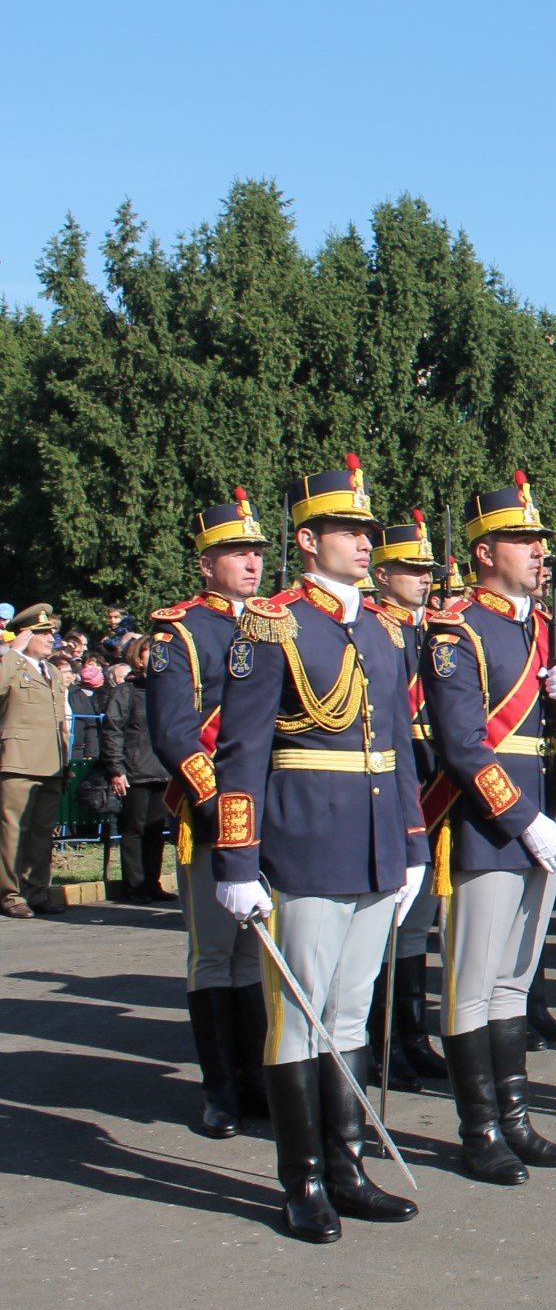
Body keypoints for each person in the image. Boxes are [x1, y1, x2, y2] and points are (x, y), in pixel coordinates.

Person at [209, 456, 425, 1243]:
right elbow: (240, 754)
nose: (365, 542)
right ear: (307, 539)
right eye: (346, 530)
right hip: (302, 845)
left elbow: (399, 749)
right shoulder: (271, 625)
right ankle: (301, 1181)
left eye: (367, 530)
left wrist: (411, 846)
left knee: (350, 1012)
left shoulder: (383, 629)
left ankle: (347, 1167)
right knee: (299, 1018)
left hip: (374, 846)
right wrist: (237, 862)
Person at [422, 474, 556, 1183]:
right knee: (473, 983)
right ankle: (479, 1129)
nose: (538, 551)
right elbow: (463, 746)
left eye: (539, 540)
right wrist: (524, 821)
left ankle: (516, 1119)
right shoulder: (456, 629)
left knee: (515, 982)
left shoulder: (545, 629)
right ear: (485, 552)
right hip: (487, 827)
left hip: (544, 814)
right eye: (522, 539)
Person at [147, 492, 273, 1135]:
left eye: (256, 551)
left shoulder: (278, 624)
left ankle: (257, 1080)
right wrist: (220, 805)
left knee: (255, 955)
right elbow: (174, 732)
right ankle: (220, 1089)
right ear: (206, 563)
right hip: (212, 810)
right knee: (215, 953)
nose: (251, 563)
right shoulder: (181, 631)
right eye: (235, 552)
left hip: (273, 809)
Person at [361, 513, 449, 1094]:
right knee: (382, 924)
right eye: (411, 569)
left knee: (416, 926)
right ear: (382, 574)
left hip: (433, 784)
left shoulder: (433, 632)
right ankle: (379, 1042)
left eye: (427, 570)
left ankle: (412, 1036)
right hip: (392, 783)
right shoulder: (373, 630)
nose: (424, 578)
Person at [0, 604, 70, 918]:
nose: (51, 639)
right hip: (18, 762)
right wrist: (13, 653)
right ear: (25, 635)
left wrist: (64, 761)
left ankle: (37, 890)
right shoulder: (10, 665)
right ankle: (10, 894)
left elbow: (60, 722)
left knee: (43, 832)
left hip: (51, 763)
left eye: (52, 633)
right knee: (13, 832)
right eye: (43, 633)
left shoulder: (51, 671)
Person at [99, 636, 174, 903]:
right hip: (135, 770)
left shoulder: (167, 689)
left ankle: (153, 883)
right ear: (138, 657)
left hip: (162, 769)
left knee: (156, 830)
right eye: (149, 652)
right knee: (135, 828)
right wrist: (116, 769)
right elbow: (112, 730)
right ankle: (135, 885)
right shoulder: (127, 691)